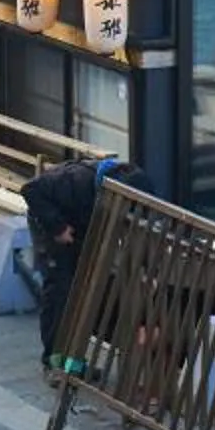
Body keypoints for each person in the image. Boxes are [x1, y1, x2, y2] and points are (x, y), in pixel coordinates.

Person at [20, 154, 141, 368]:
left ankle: (73, 360)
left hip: (80, 224)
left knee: (84, 288)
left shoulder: (121, 185)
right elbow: (30, 189)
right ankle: (53, 358)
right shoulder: (73, 180)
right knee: (60, 288)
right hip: (52, 227)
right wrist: (57, 227)